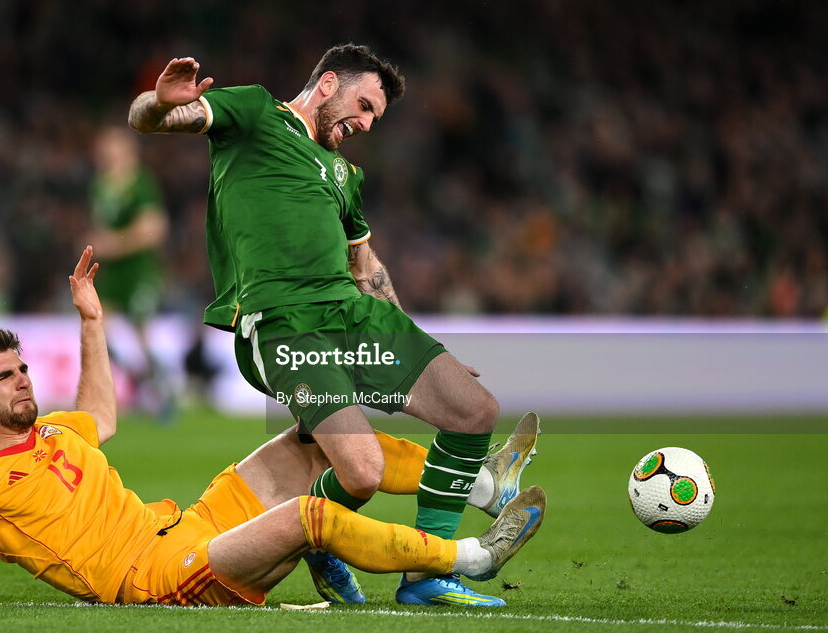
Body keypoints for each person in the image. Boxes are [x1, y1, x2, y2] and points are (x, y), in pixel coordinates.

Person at [0, 247, 546, 610]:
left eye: (21, 368)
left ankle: (485, 484)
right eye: (3, 377)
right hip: (153, 577)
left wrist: (91, 320)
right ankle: (471, 559)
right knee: (306, 514)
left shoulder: (56, 433)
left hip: (184, 528)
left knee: (307, 441)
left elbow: (103, 413)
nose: (22, 380)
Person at [127, 45, 540, 605]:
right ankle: (318, 537)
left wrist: (416, 344)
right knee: (362, 473)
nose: (366, 123)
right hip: (283, 323)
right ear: (327, 84)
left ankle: (426, 579)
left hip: (351, 313)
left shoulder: (345, 173)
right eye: (364, 105)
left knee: (474, 411)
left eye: (375, 117)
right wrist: (157, 102)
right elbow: (153, 119)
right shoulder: (254, 114)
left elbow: (366, 267)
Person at [86, 126, 173, 418]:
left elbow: (154, 229)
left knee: (141, 333)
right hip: (110, 272)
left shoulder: (141, 184)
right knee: (98, 329)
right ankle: (139, 382)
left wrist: (114, 244)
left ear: (127, 150)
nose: (106, 153)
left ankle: (163, 393)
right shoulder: (100, 185)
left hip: (139, 271)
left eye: (112, 147)